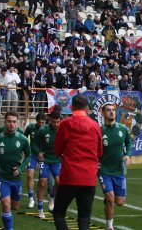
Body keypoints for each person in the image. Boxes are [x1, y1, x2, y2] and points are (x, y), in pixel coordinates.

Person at [53, 95, 103, 229]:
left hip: (69, 176)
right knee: (84, 219)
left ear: (71, 107)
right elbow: (99, 152)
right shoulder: (95, 126)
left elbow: (57, 150)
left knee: (58, 213)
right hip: (88, 177)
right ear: (86, 108)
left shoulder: (65, 124)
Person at [0, 111, 31, 230]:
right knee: (5, 203)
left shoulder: (23, 139)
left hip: (16, 180)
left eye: (14, 122)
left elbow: (28, 156)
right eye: (9, 121)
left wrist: (20, 168)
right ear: (4, 122)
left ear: (17, 123)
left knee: (14, 207)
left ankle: (5, 216)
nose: (11, 124)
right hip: (1, 178)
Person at [99, 104, 132, 230]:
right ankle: (109, 226)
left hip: (119, 171)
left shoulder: (122, 129)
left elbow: (129, 143)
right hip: (104, 170)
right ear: (103, 113)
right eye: (108, 110)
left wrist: (128, 155)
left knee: (119, 202)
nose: (112, 112)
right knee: (110, 197)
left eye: (113, 110)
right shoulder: (99, 130)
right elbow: (92, 148)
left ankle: (108, 200)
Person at [35, 110, 61, 218]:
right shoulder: (42, 130)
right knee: (42, 182)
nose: (56, 124)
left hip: (56, 160)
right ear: (49, 120)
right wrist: (38, 152)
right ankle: (40, 209)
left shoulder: (62, 130)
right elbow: (34, 144)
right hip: (44, 160)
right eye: (54, 122)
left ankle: (51, 196)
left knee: (60, 182)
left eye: (58, 122)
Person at [24, 112, 47, 208]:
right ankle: (31, 198)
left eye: (43, 122)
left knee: (42, 180)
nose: (41, 124)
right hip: (32, 154)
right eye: (39, 122)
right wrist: (23, 150)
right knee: (30, 175)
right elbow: (24, 138)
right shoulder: (30, 127)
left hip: (43, 156)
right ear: (36, 121)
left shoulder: (47, 129)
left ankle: (40, 197)